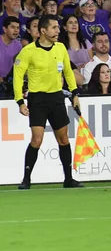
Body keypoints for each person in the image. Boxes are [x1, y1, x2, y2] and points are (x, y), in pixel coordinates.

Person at [12, 14, 83, 190]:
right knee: (37, 139)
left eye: (58, 27)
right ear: (43, 31)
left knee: (64, 139)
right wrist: (19, 101)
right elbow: (18, 76)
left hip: (57, 97)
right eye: (54, 27)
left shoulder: (60, 48)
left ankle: (68, 179)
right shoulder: (28, 51)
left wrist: (74, 93)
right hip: (38, 99)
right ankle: (26, 179)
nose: (58, 31)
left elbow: (68, 72)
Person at [0, 16, 22, 86]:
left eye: (18, 28)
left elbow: (18, 63)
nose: (16, 30)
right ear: (5, 29)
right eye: (12, 27)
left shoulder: (18, 45)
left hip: (7, 82)